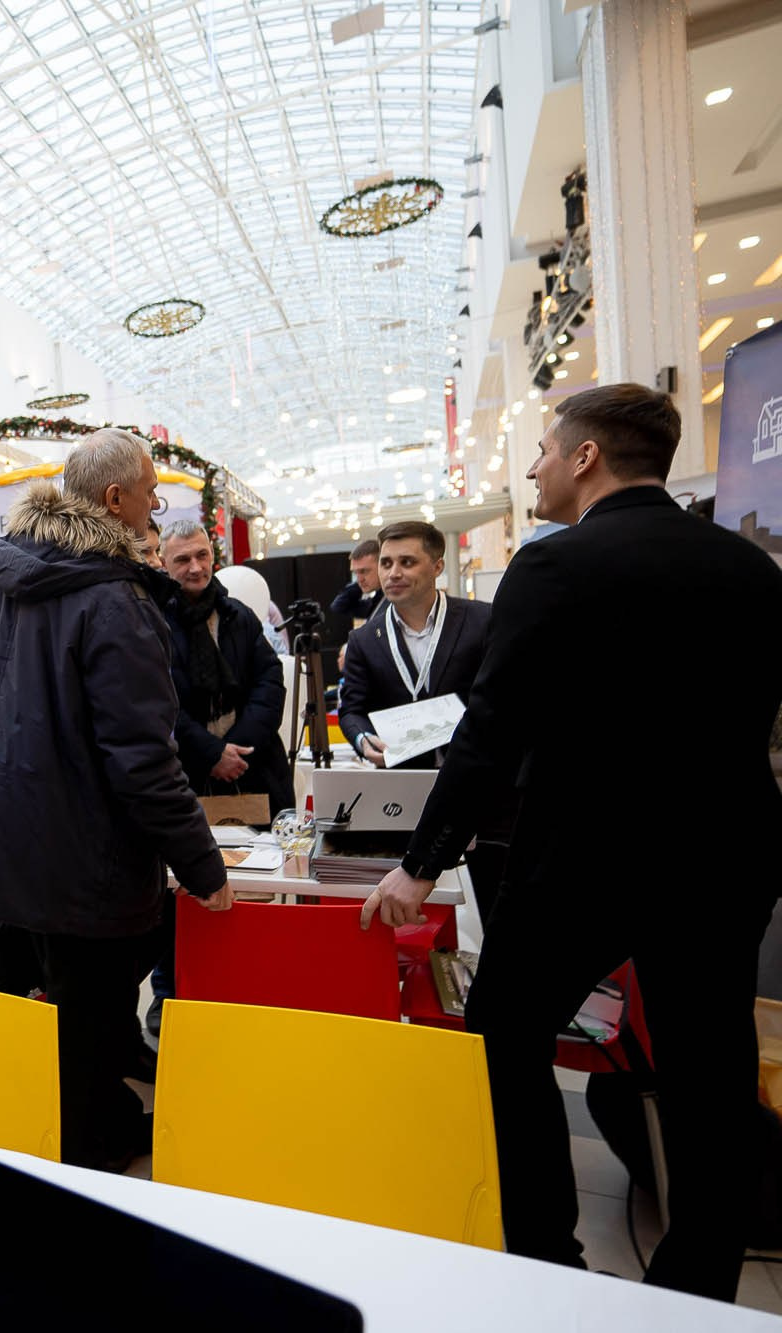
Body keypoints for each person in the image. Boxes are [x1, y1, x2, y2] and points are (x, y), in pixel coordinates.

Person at [363, 384, 782, 1303]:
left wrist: (420, 862)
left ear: (586, 456)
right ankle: (695, 1288)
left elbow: (491, 731)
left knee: (504, 1032)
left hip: (587, 857)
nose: (534, 466)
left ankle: (547, 1259)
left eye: (546, 450)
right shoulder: (749, 566)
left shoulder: (554, 565)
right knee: (709, 1071)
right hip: (727, 855)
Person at [0, 428, 228, 1173]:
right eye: (150, 492)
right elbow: (143, 759)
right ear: (115, 497)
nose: (155, 507)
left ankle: (87, 1121)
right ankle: (92, 1155)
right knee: (91, 1021)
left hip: (15, 837)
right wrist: (203, 865)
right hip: (91, 856)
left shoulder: (9, 568)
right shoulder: (114, 598)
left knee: (67, 1020)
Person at [157, 520, 291, 817]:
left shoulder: (239, 615)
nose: (195, 567)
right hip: (186, 775)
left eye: (201, 555)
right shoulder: (154, 623)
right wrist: (212, 753)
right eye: (183, 559)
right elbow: (159, 701)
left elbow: (269, 683)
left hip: (253, 766)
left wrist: (235, 750)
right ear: (164, 564)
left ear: (212, 556)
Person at [339, 521, 492, 769]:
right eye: (386, 563)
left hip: (475, 771)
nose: (393, 573)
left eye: (407, 562)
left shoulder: (482, 621)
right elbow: (351, 710)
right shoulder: (364, 640)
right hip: (402, 777)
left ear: (437, 567)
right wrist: (363, 738)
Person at [329, 537, 382, 630]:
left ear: (383, 566)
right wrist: (359, 585)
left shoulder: (396, 600)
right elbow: (339, 606)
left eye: (364, 571)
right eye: (355, 573)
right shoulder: (377, 600)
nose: (359, 579)